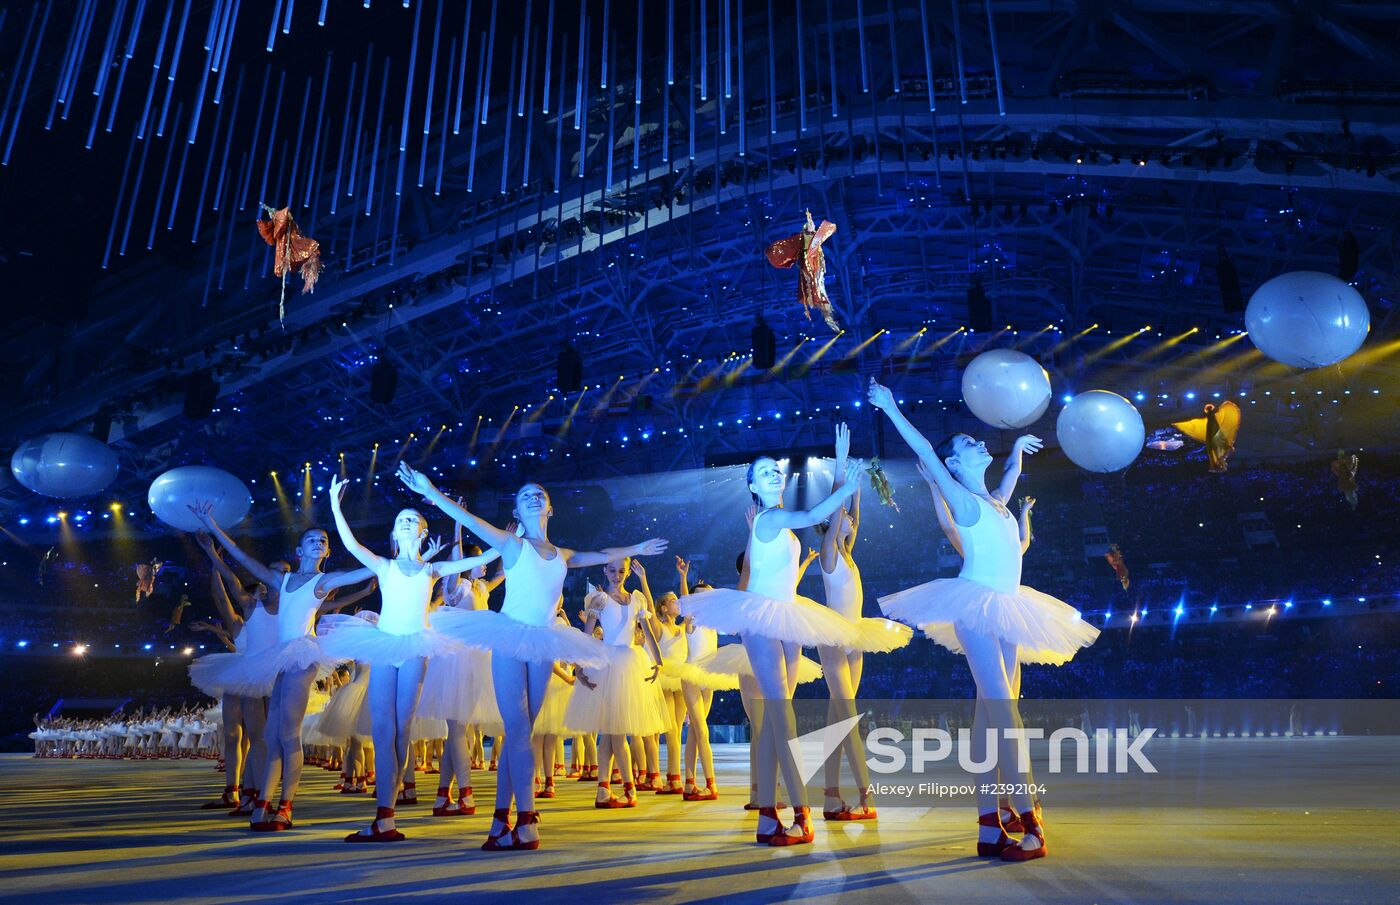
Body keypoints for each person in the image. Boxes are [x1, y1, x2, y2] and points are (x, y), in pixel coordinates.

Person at [868, 377, 1099, 861]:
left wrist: (1015, 447)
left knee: (992, 715)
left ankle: (989, 824)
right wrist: (890, 407)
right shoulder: (963, 499)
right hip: (977, 606)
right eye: (968, 442)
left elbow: (1012, 475)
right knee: (1004, 713)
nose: (978, 440)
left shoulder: (995, 501)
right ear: (953, 464)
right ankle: (1030, 819)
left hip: (1009, 606)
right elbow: (925, 450)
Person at [396, 463, 666, 851]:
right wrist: (431, 491)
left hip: (543, 641)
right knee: (519, 731)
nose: (533, 497)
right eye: (525, 495)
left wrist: (637, 549)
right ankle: (526, 821)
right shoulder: (512, 545)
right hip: (509, 636)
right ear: (517, 513)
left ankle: (499, 822)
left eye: (539, 494)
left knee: (521, 733)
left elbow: (602, 554)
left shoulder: (562, 553)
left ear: (550, 509)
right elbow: (466, 518)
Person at [680, 442, 862, 847]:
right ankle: (800, 815)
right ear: (751, 485)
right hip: (765, 620)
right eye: (763, 471)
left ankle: (769, 814)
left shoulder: (768, 521)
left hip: (785, 615)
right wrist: (845, 484)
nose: (774, 473)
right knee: (781, 715)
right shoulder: (773, 517)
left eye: (775, 469)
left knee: (779, 718)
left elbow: (764, 558)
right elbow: (816, 514)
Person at [319, 477, 500, 843]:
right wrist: (336, 506)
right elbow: (351, 544)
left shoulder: (431, 570)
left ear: (422, 533)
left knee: (401, 729)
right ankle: (384, 815)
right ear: (394, 533)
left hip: (416, 648)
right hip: (385, 644)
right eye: (400, 518)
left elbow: (481, 557)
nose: (405, 522)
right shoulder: (383, 565)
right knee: (384, 730)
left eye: (412, 519)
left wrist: (508, 541)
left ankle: (387, 813)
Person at [188, 502, 375, 832]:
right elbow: (241, 558)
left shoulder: (323, 581)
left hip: (302, 656)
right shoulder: (281, 580)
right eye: (312, 539)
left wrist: (393, 560)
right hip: (279, 658)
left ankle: (285, 807)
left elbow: (367, 569)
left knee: (287, 734)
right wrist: (211, 524)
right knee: (272, 736)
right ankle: (263, 802)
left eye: (323, 540)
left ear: (327, 552)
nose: (318, 542)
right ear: (299, 549)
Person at [813, 423, 912, 821]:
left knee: (837, 717)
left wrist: (857, 486)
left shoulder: (848, 553)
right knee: (847, 715)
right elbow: (840, 514)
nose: (852, 522)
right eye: (844, 520)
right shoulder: (828, 555)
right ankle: (866, 794)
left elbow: (854, 515)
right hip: (834, 640)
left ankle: (831, 796)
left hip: (854, 636)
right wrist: (841, 469)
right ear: (832, 525)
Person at [567, 558, 669, 808]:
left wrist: (658, 662)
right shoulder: (599, 601)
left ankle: (604, 790)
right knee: (615, 734)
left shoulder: (637, 600)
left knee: (612, 734)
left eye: (621, 571)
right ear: (605, 570)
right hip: (607, 663)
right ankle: (628, 789)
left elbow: (648, 633)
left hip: (630, 663)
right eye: (612, 570)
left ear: (627, 573)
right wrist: (578, 666)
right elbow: (587, 636)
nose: (617, 575)